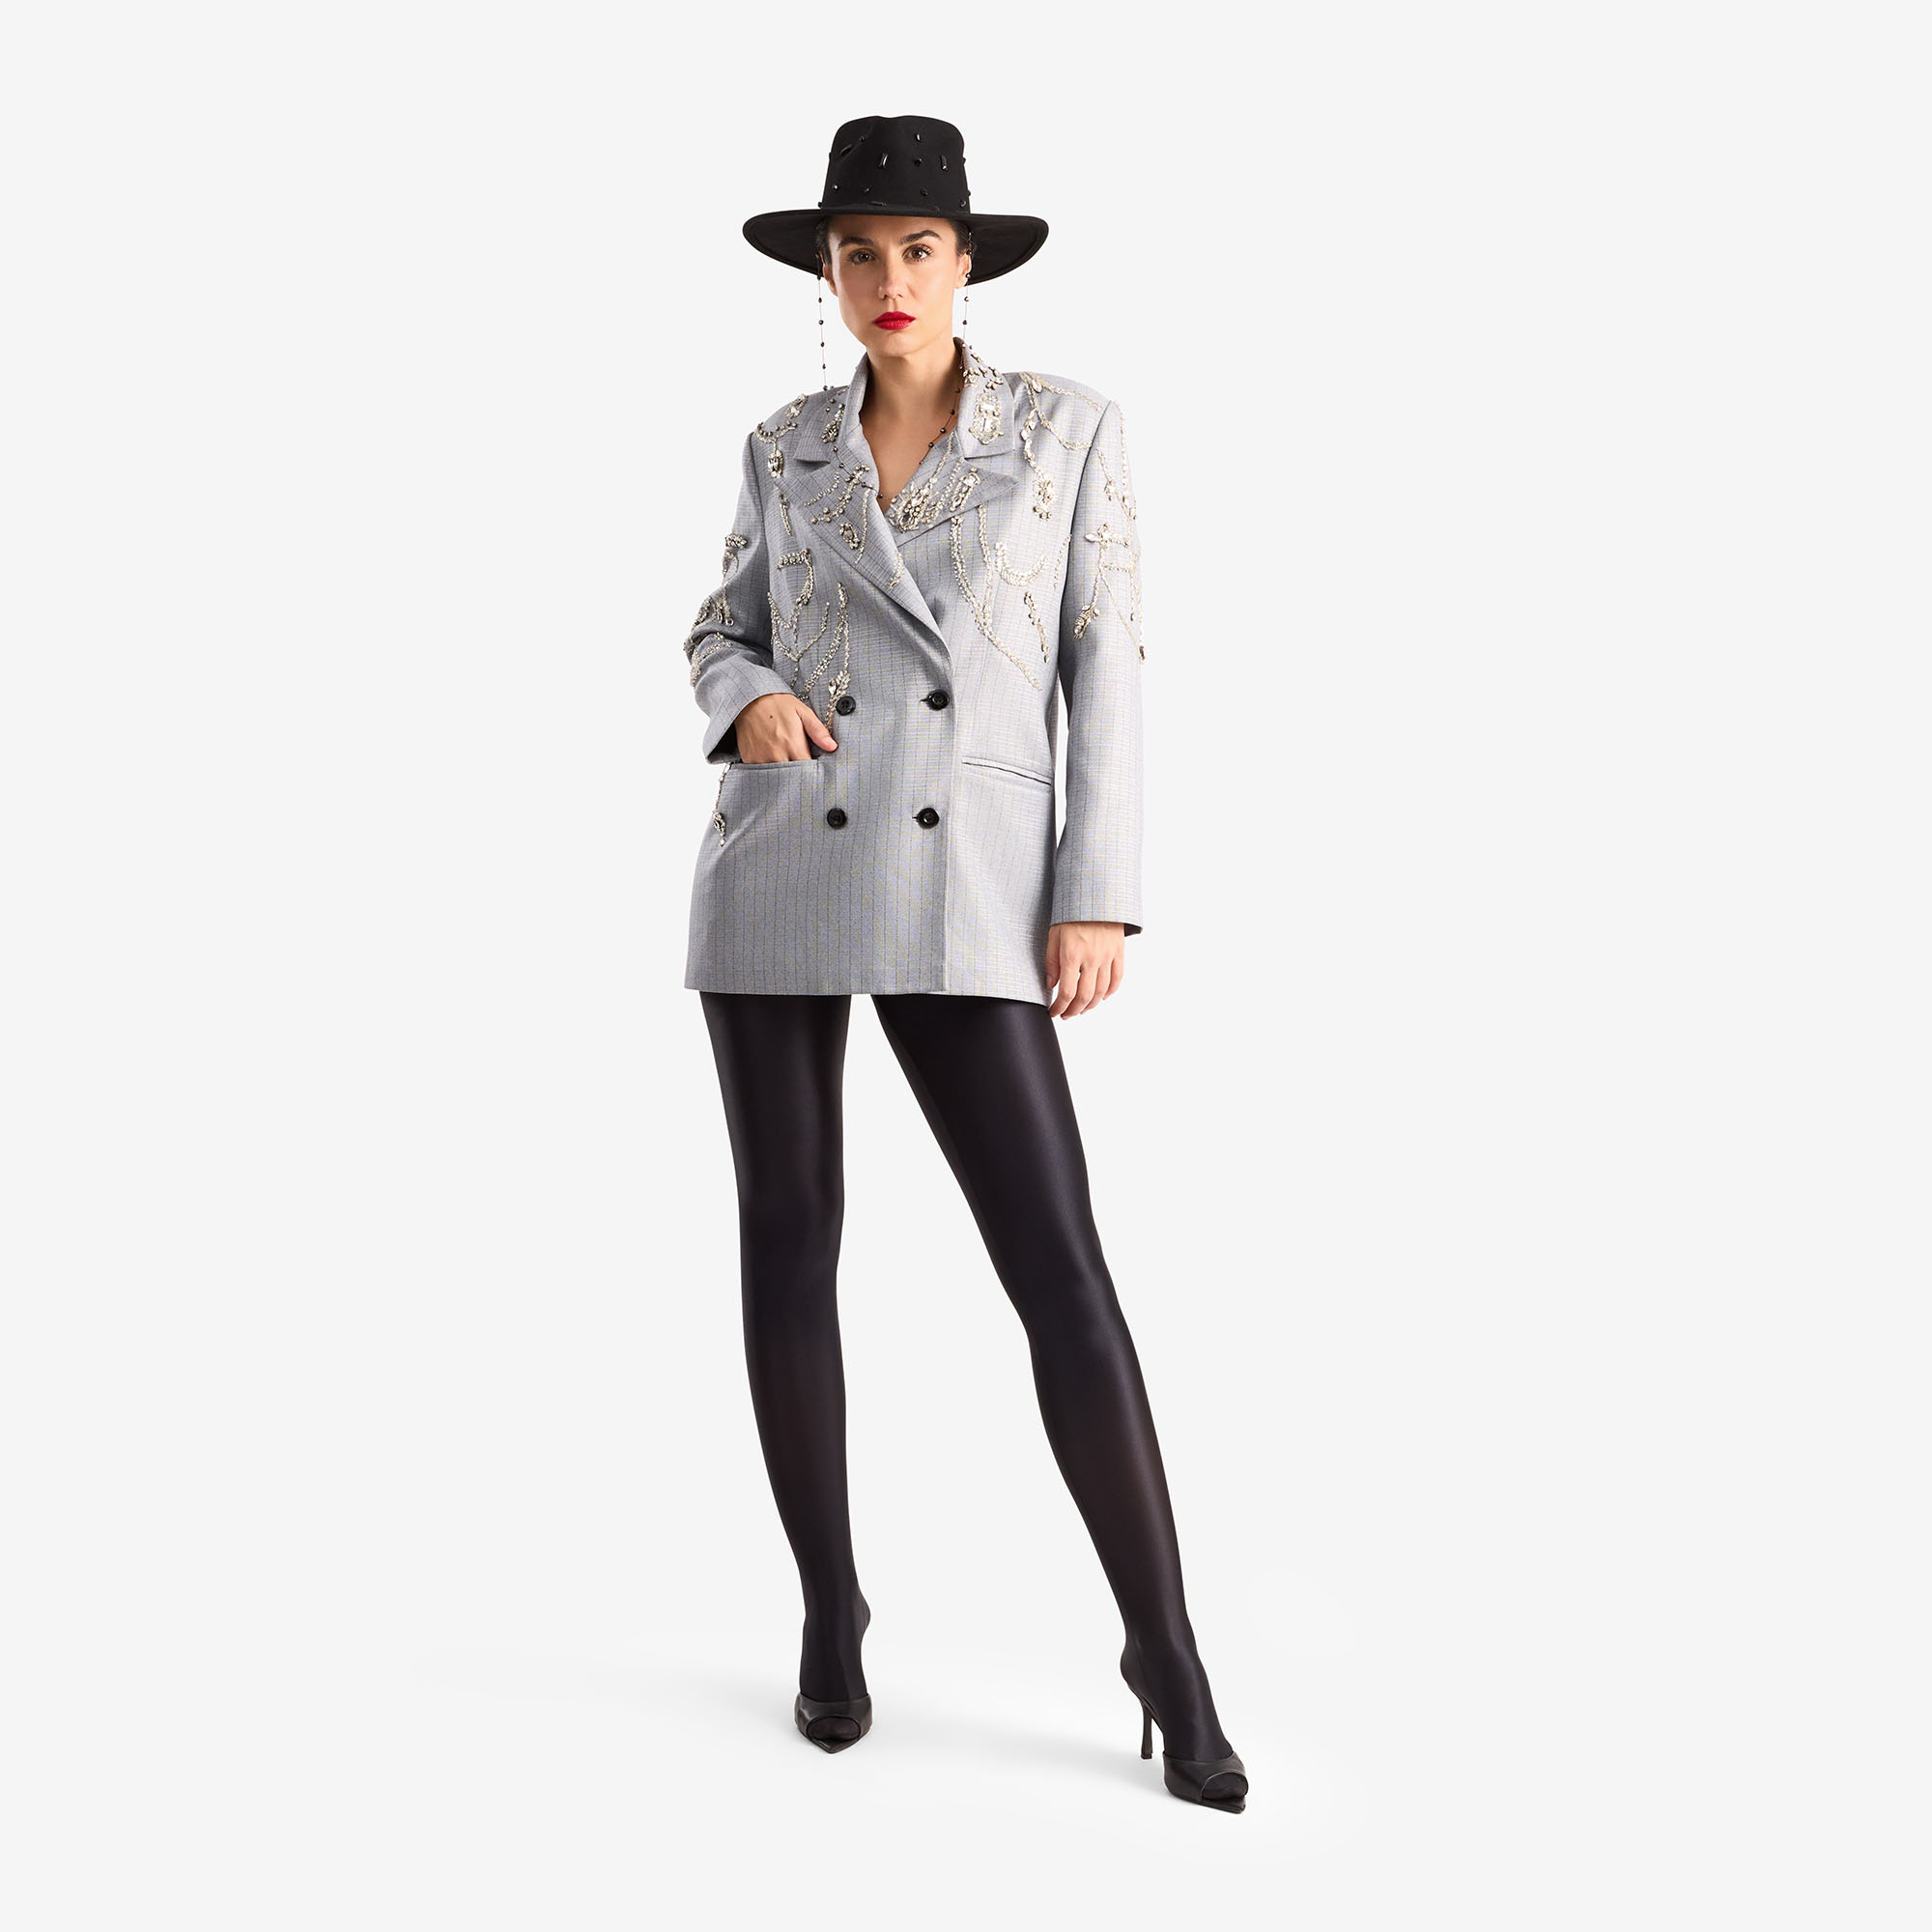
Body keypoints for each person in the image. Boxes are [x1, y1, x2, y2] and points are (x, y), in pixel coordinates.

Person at [678, 113, 1246, 1813]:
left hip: (973, 884)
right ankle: (830, 1609)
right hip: (781, 861)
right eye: (858, 252)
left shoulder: (1065, 428)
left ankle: (1167, 1651)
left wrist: (1099, 893)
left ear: (968, 262)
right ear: (825, 272)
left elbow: (1107, 662)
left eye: (918, 248)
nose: (889, 279)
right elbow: (719, 626)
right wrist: (743, 699)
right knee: (789, 1246)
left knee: (1058, 1270)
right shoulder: (785, 445)